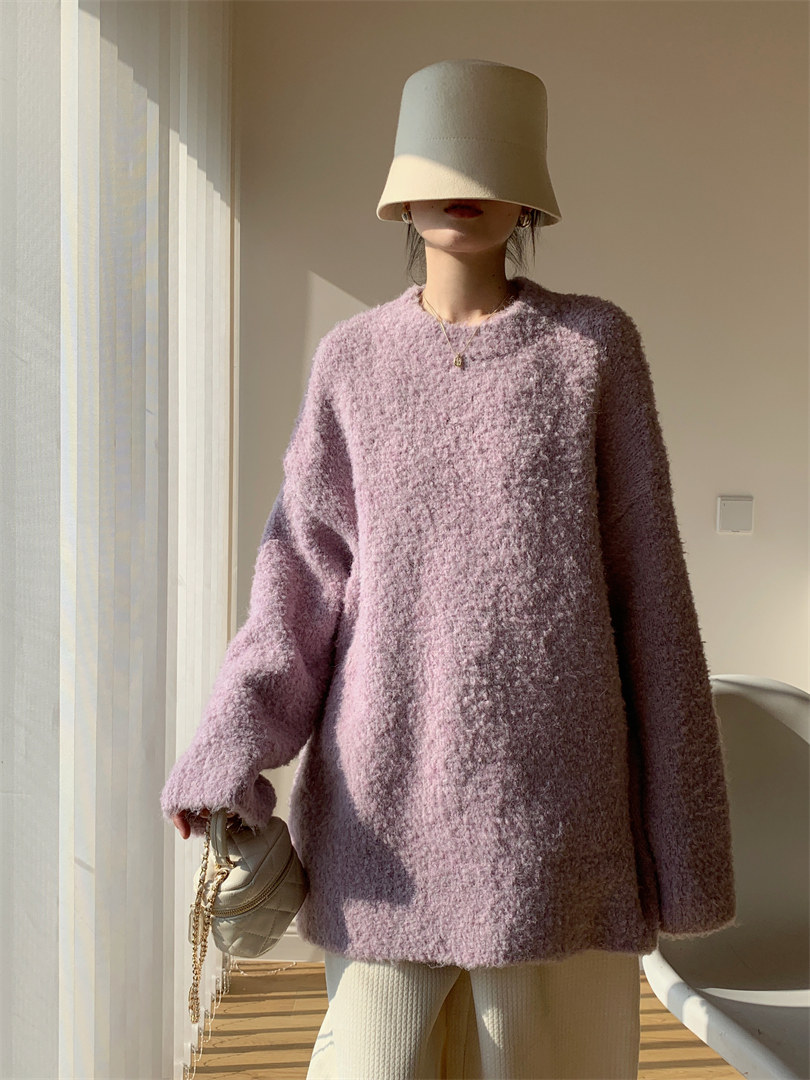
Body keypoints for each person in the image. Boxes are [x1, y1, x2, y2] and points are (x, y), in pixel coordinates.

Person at [162, 59, 737, 1079]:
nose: (463, 188)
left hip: (557, 826)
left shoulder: (591, 350)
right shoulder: (353, 361)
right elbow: (300, 584)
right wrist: (229, 747)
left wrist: (683, 853)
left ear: (530, 196)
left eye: (490, 164)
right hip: (382, 824)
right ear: (400, 191)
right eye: (440, 163)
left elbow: (651, 599)